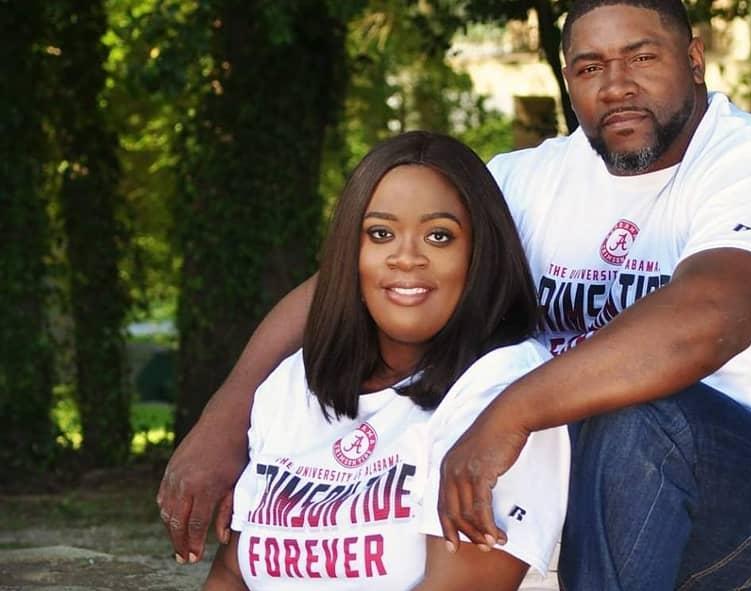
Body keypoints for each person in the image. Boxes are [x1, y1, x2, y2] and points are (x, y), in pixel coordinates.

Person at [160, 1, 751, 589]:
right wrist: (226, 419)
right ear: (567, 80)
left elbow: (708, 320)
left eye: (641, 58)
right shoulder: (528, 181)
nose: (616, 86)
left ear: (693, 59)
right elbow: (354, 281)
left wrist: (511, 413)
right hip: (573, 494)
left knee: (631, 410)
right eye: (590, 67)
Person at [200, 131, 570, 590]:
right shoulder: (294, 383)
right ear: (349, 254)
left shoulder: (501, 389)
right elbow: (231, 574)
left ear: (480, 255)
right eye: (381, 234)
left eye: (439, 236)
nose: (406, 258)